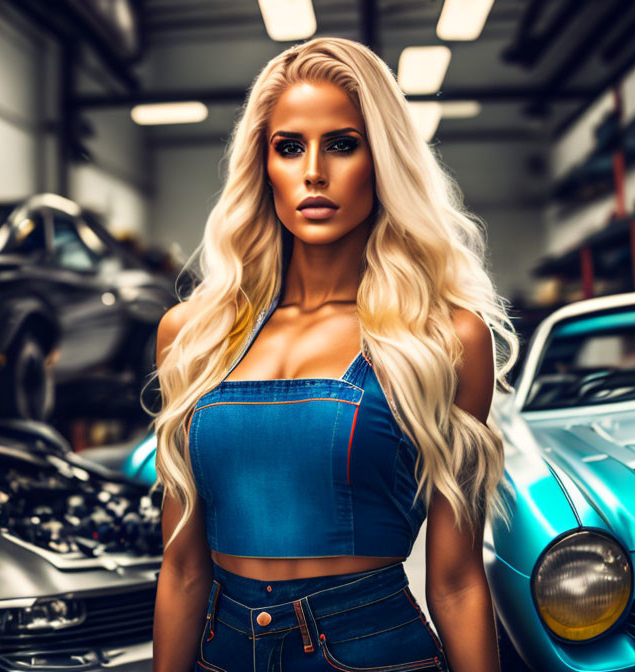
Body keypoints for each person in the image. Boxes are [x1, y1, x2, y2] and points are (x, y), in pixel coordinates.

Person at [150, 36, 518, 672]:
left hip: (372, 648)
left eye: (342, 144)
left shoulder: (444, 339)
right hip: (223, 650)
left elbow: (456, 582)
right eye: (289, 147)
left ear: (382, 160)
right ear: (262, 166)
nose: (313, 171)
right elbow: (182, 569)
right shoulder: (192, 334)